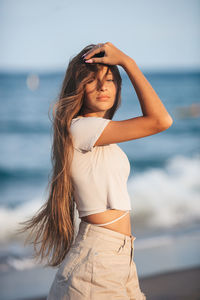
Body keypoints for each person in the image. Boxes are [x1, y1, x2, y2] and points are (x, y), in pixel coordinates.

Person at [19, 42, 173, 299]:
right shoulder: (81, 128)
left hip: (119, 258)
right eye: (92, 80)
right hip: (96, 263)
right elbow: (161, 120)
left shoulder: (99, 135)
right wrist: (127, 62)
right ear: (78, 88)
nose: (103, 86)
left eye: (110, 79)